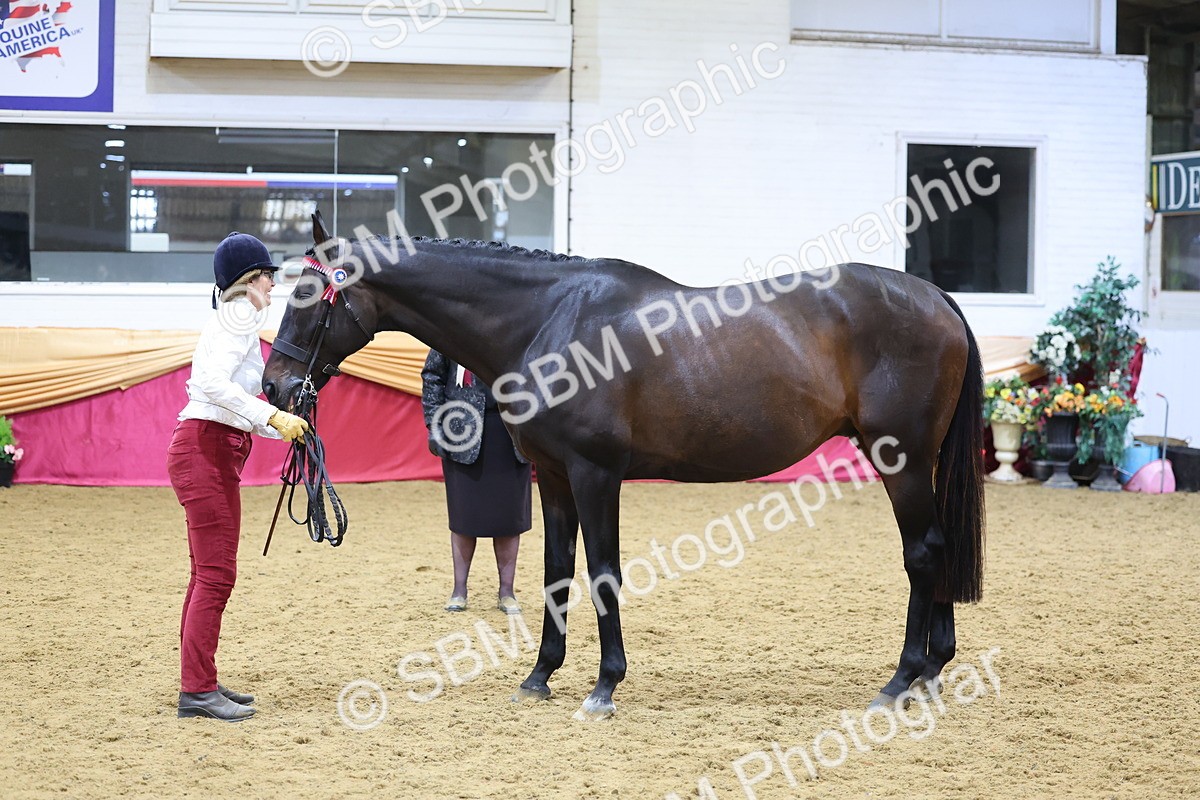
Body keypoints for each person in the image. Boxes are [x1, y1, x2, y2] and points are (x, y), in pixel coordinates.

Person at [167, 232, 309, 722]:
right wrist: (273, 418)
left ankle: (199, 678)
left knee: (206, 573)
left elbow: (235, 407)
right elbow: (209, 386)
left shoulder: (237, 322)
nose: (273, 285)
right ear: (251, 279)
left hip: (211, 447)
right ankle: (197, 689)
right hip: (205, 450)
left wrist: (285, 428)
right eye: (269, 276)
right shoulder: (240, 316)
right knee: (216, 574)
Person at [422, 350, 532, 614]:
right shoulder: (448, 327)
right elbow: (433, 376)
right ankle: (459, 590)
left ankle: (507, 591)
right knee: (463, 520)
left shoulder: (516, 321)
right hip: (461, 433)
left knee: (509, 521)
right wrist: (435, 425)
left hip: (511, 433)